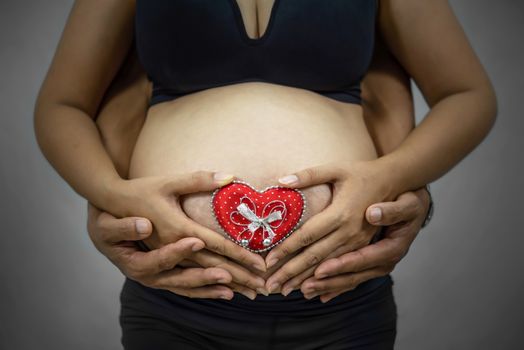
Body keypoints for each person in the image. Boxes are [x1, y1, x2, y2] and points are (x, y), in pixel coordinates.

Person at [33, 0, 497, 349]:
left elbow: (466, 94)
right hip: (176, 300)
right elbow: (63, 104)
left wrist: (387, 180)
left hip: (341, 297)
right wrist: (111, 194)